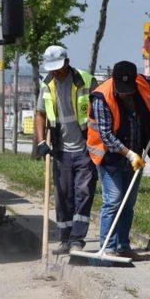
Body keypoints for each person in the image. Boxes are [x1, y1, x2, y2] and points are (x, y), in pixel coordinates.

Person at [87, 61, 150, 260]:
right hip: (110, 157)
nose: (125, 94)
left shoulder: (142, 82)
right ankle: (107, 248)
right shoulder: (101, 97)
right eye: (122, 90)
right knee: (114, 201)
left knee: (128, 203)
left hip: (136, 152)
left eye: (129, 89)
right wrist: (129, 154)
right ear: (114, 81)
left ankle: (123, 247)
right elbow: (106, 136)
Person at [35, 46, 98, 254]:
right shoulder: (47, 85)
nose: (56, 73)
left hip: (85, 148)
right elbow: (40, 114)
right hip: (61, 150)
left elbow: (100, 111)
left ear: (68, 62)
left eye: (59, 68)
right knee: (63, 196)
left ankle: (77, 240)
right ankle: (65, 239)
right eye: (52, 69)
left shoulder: (86, 81)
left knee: (84, 193)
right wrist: (41, 142)